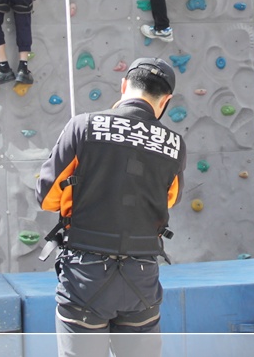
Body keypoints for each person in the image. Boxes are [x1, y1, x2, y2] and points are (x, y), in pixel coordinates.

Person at [36, 58, 185, 357]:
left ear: (123, 85)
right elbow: (170, 199)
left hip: (85, 277)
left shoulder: (83, 126)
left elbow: (48, 196)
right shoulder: (174, 143)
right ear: (166, 100)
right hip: (141, 278)